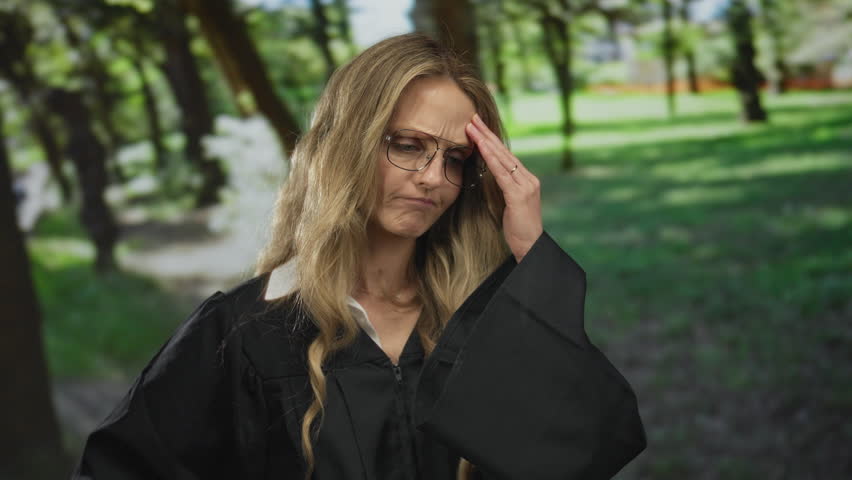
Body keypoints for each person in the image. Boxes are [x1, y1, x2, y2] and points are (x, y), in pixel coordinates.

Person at [72, 33, 646, 480]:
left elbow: (589, 453)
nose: (433, 179)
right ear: (349, 142)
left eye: (455, 159)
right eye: (407, 145)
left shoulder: (486, 321)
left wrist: (531, 257)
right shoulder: (242, 333)